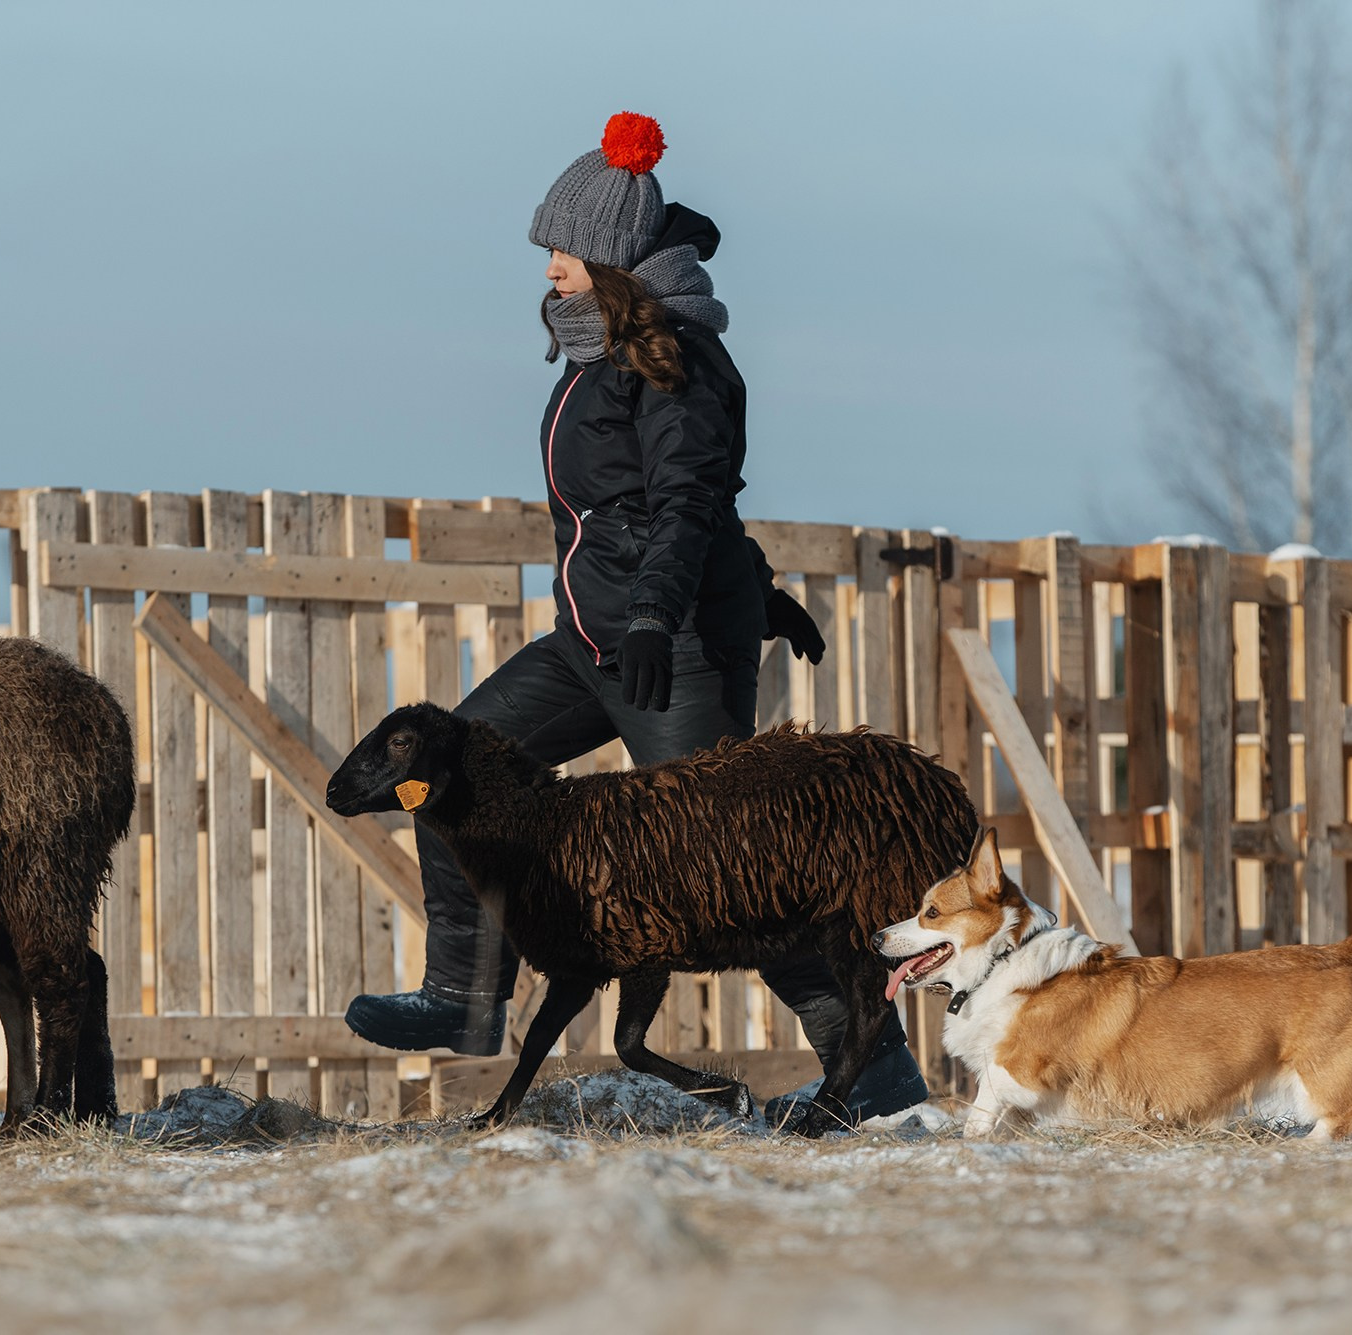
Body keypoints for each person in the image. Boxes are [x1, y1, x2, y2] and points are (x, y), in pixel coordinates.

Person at [343, 112, 927, 1124]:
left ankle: (878, 1079)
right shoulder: (594, 354)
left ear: (609, 259)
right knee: (438, 773)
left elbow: (688, 498)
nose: (547, 269)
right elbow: (649, 511)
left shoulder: (678, 361)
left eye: (561, 251)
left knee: (733, 876)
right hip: (590, 642)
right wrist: (749, 585)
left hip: (670, 654)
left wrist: (674, 612)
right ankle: (463, 995)